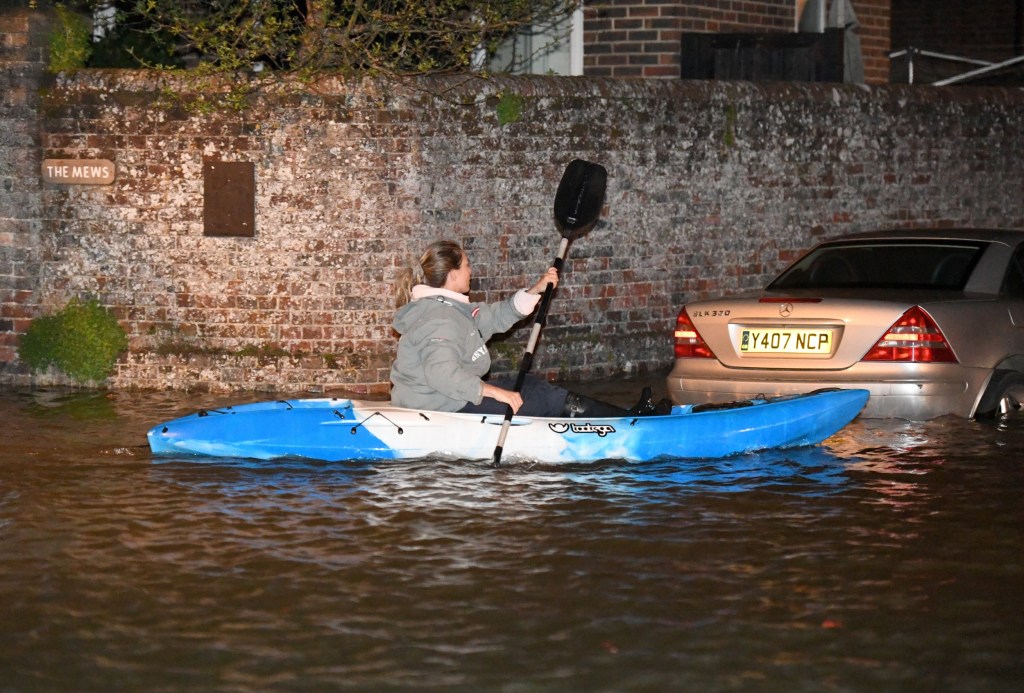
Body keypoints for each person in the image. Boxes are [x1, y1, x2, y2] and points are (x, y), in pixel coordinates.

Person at [390, 240, 667, 418]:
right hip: (438, 405)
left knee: (531, 385)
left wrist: (536, 290)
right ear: (452, 275)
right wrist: (497, 393)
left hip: (447, 398)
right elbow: (441, 373)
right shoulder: (440, 316)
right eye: (467, 265)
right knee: (541, 398)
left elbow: (496, 316)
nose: (471, 271)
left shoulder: (452, 309)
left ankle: (625, 416)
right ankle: (629, 423)